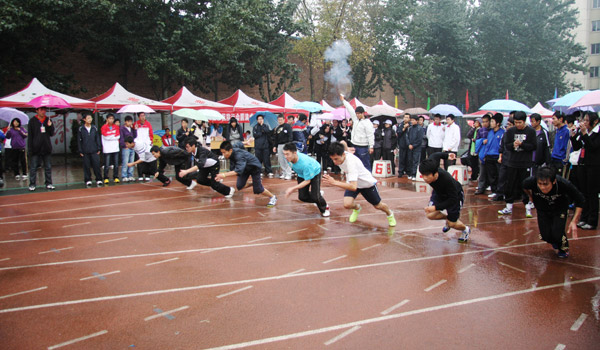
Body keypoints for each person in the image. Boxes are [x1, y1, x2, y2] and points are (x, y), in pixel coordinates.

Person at [323, 141, 396, 227]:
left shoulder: (351, 164)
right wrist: (347, 147)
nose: (334, 162)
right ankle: (357, 208)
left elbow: (353, 187)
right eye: (332, 159)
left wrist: (334, 182)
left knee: (378, 206)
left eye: (336, 159)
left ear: (343, 155)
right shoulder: (343, 153)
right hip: (353, 181)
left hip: (366, 184)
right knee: (347, 204)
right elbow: (343, 142)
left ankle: (390, 214)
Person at [522, 166, 584, 258]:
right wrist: (530, 196)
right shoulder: (530, 181)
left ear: (554, 181)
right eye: (540, 184)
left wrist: (574, 221)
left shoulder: (564, 184)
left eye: (546, 184)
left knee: (557, 234)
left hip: (559, 208)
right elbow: (524, 187)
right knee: (545, 236)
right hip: (542, 208)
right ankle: (554, 241)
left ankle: (563, 248)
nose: (543, 187)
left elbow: (580, 200)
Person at [419, 155, 471, 242]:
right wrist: (447, 156)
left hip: (454, 196)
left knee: (452, 223)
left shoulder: (447, 180)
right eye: (422, 175)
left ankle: (465, 229)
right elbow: (436, 155)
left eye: (427, 176)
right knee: (430, 214)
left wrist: (436, 207)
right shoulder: (431, 164)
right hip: (439, 193)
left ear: (435, 174)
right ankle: (448, 219)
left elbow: (452, 200)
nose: (424, 178)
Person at [497, 111, 537, 217]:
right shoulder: (510, 132)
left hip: (525, 163)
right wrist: (513, 145)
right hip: (512, 162)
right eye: (516, 122)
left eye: (520, 122)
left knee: (525, 185)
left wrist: (522, 144)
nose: (518, 125)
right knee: (510, 184)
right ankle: (509, 206)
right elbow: (507, 146)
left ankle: (528, 206)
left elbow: (533, 146)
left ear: (524, 121)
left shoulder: (531, 132)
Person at [217, 141, 278, 207]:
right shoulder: (233, 147)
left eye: (224, 152)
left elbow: (237, 171)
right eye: (222, 152)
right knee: (239, 186)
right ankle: (254, 183)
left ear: (230, 150)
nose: (223, 154)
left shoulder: (239, 156)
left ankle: (273, 197)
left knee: (258, 189)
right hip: (245, 168)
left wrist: (223, 175)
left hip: (254, 167)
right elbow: (239, 143)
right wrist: (246, 142)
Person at [570, 112, 600, 230]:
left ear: (595, 121)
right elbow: (578, 147)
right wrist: (573, 136)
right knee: (583, 192)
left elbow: (593, 147)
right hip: (582, 164)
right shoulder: (586, 132)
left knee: (592, 193)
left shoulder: (597, 133)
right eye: (584, 120)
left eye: (587, 120)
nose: (585, 122)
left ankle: (592, 221)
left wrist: (584, 134)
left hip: (594, 166)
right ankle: (584, 218)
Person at [283, 142, 330, 217]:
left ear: (295, 153)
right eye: (284, 154)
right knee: (302, 197)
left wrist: (293, 188)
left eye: (287, 154)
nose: (285, 156)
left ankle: (324, 208)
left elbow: (307, 181)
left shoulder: (305, 163)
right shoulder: (289, 159)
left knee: (316, 197)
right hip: (302, 174)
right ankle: (318, 196)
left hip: (314, 172)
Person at [475, 113, 504, 196]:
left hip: (497, 156)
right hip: (489, 156)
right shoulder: (490, 132)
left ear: (498, 123)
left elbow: (502, 146)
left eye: (492, 122)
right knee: (491, 175)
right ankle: (494, 190)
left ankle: (499, 192)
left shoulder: (502, 133)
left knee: (499, 175)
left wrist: (500, 156)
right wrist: (485, 155)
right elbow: (487, 145)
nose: (490, 123)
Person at [342, 97, 375, 171]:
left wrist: (371, 146)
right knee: (355, 163)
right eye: (356, 113)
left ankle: (369, 179)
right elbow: (350, 109)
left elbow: (370, 135)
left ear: (363, 113)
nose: (357, 115)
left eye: (359, 114)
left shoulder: (367, 123)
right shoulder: (355, 120)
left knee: (365, 164)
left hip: (363, 146)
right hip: (354, 145)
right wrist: (343, 101)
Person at [28, 107, 55, 191]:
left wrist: (49, 126)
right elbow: (30, 136)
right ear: (37, 110)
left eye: (44, 110)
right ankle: (32, 184)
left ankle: (49, 183)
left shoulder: (48, 120)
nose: (43, 112)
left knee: (48, 167)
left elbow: (51, 133)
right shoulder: (32, 121)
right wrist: (30, 149)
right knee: (33, 167)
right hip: (36, 148)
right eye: (41, 110)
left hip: (46, 147)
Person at [77, 114, 103, 187]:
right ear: (84, 119)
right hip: (85, 151)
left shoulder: (94, 128)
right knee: (86, 166)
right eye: (88, 118)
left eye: (91, 118)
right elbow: (79, 140)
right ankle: (88, 180)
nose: (90, 119)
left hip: (94, 150)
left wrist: (99, 148)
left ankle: (99, 179)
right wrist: (80, 150)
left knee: (96, 165)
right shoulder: (81, 128)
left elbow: (97, 138)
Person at [101, 113, 120, 183]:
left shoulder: (116, 127)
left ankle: (116, 177)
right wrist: (112, 136)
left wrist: (110, 136)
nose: (111, 120)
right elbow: (105, 137)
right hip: (107, 148)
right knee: (107, 164)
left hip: (115, 148)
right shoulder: (104, 127)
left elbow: (118, 136)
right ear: (107, 119)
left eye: (112, 118)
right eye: (110, 118)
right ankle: (106, 177)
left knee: (116, 164)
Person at [273, 114, 293, 179]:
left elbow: (290, 135)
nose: (280, 121)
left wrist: (289, 144)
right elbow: (275, 138)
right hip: (279, 145)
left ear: (284, 120)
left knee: (287, 159)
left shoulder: (287, 126)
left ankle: (288, 173)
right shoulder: (277, 128)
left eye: (281, 120)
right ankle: (284, 172)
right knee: (281, 160)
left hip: (286, 144)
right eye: (279, 120)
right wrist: (274, 146)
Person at [120, 115, 137, 182]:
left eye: (131, 122)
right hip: (126, 147)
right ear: (125, 122)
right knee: (125, 161)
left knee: (131, 161)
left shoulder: (132, 129)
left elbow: (135, 136)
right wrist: (124, 145)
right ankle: (124, 175)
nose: (130, 123)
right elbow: (121, 138)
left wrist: (135, 129)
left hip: (132, 147)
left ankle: (130, 175)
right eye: (128, 122)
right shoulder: (122, 128)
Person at [407, 115, 424, 180]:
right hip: (410, 147)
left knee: (415, 161)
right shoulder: (410, 128)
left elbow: (419, 140)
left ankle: (414, 174)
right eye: (411, 120)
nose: (412, 121)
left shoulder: (420, 128)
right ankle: (410, 173)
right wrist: (409, 144)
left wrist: (413, 145)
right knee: (410, 160)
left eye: (413, 120)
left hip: (416, 148)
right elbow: (407, 137)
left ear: (417, 121)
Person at [396, 113, 411, 177]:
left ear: (409, 118)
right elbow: (398, 133)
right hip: (402, 143)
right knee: (401, 158)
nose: (405, 118)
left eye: (407, 117)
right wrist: (403, 128)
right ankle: (401, 171)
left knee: (409, 158)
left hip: (409, 144)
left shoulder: (411, 125)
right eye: (405, 117)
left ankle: (408, 171)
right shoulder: (401, 124)